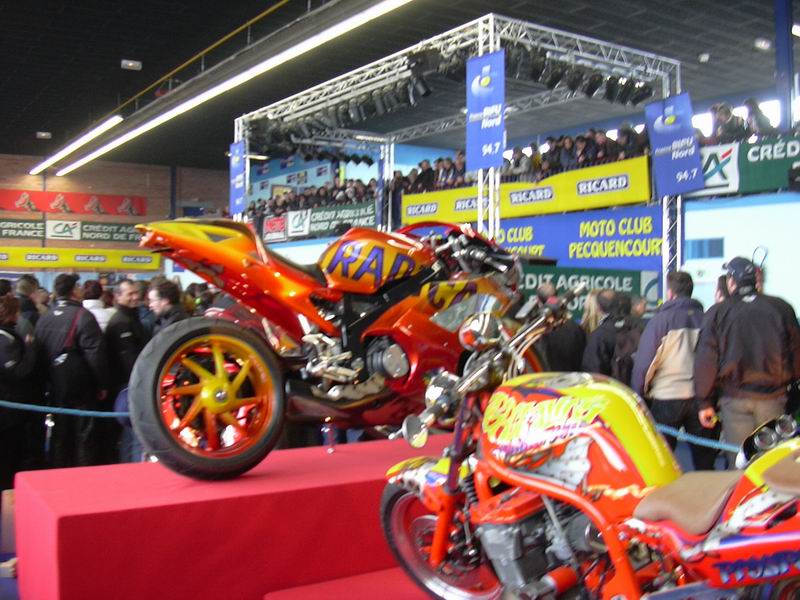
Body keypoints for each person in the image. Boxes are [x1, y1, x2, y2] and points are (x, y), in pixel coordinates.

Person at [695, 258, 800, 460]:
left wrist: (704, 402)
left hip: (734, 400)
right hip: (774, 399)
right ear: (755, 280)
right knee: (771, 463)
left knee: (739, 462)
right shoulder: (781, 308)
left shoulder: (718, 312)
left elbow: (706, 360)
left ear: (731, 282)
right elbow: (796, 353)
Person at [631, 272, 717, 469]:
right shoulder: (706, 319)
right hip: (700, 398)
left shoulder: (660, 321)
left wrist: (639, 394)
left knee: (663, 462)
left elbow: (645, 364)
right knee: (705, 462)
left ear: (670, 293)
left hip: (666, 396)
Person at [35, 274, 109, 467]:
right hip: (80, 385)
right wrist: (102, 384)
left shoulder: (45, 317)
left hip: (54, 384)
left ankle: (58, 471)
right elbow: (95, 354)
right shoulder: (83, 316)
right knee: (84, 434)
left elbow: (38, 351)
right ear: (74, 290)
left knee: (59, 434)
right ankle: (82, 474)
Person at [106, 279, 150, 463]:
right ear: (118, 296)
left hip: (131, 383)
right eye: (129, 294)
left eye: (135, 293)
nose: (135, 297)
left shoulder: (131, 318)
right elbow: (128, 360)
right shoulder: (121, 322)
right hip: (128, 385)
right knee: (133, 435)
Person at [0, 295, 38, 489]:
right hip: (9, 409)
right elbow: (19, 371)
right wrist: (30, 348)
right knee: (9, 454)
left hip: (9, 406)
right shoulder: (5, 339)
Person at [536, 284, 586, 372]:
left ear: (538, 301)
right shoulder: (576, 329)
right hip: (572, 377)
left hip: (545, 378)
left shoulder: (536, 331)